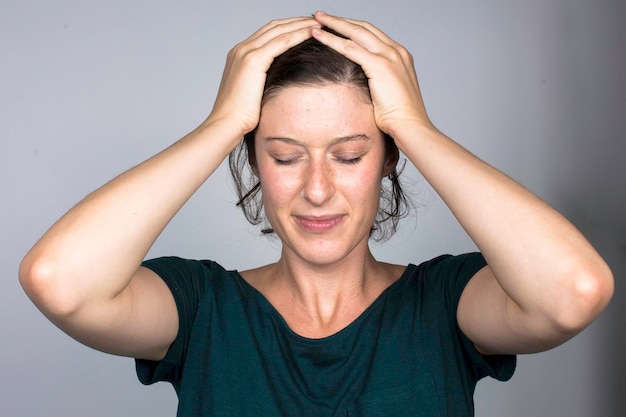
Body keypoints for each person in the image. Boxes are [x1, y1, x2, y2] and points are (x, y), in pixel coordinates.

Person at [19, 11, 614, 416]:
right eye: (284, 156)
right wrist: (222, 124)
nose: (318, 189)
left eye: (350, 155)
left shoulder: (446, 303)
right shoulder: (201, 309)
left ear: (387, 162)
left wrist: (414, 127)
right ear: (254, 161)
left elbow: (574, 293)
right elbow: (61, 283)